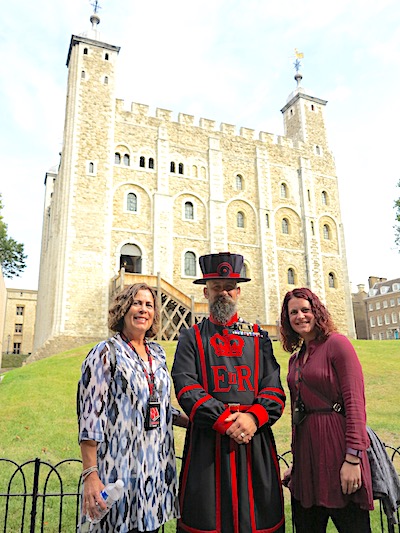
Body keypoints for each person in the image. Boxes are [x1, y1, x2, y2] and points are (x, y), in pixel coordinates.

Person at [172, 252, 286, 533]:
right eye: (216, 287)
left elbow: (274, 389)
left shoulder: (258, 336)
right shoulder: (191, 337)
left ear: (238, 291)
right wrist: (225, 421)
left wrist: (252, 419)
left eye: (228, 287)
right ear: (205, 291)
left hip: (254, 441)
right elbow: (186, 387)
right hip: (208, 444)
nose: (222, 293)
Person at [77, 282, 188, 533]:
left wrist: (191, 420)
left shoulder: (157, 353)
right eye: (136, 303)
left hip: (153, 471)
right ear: (123, 308)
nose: (143, 309)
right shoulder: (105, 353)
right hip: (117, 471)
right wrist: (91, 475)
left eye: (149, 305)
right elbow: (90, 418)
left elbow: (158, 407)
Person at [280, 287, 373, 533]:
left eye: (305, 310)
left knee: (352, 524)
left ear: (316, 312)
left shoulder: (337, 345)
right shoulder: (295, 359)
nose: (300, 316)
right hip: (307, 455)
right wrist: (297, 461)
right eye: (293, 312)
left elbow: (355, 403)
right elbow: (297, 412)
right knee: (307, 525)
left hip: (338, 449)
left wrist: (353, 458)